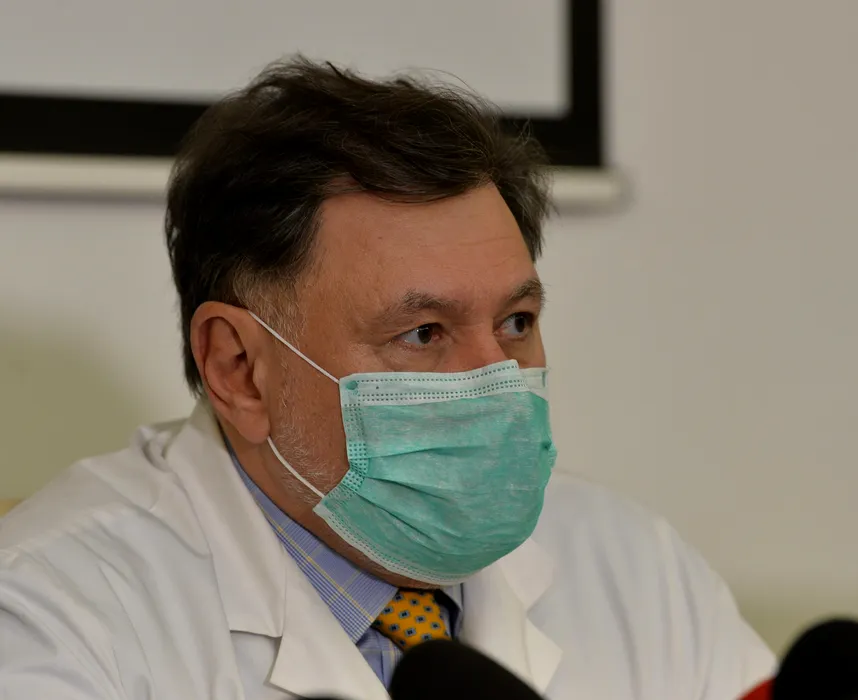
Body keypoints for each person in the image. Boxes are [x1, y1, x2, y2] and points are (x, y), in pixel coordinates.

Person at [0, 58, 773, 700]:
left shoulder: (636, 569)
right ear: (239, 370)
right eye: (423, 334)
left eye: (515, 323)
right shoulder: (46, 616)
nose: (496, 383)